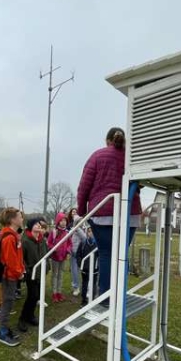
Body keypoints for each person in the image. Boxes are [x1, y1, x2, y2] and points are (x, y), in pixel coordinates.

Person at [77, 127, 142, 296]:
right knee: (122, 255)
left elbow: (84, 186)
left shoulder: (97, 156)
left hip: (103, 214)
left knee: (106, 254)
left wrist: (82, 210)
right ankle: (120, 295)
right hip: (130, 213)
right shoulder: (131, 157)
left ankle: (106, 298)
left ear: (107, 141)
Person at [0, 207, 25, 347]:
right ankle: (2, 332)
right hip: (9, 276)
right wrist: (19, 272)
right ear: (12, 219)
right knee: (7, 302)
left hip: (12, 275)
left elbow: (17, 257)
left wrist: (21, 269)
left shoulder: (13, 235)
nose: (22, 219)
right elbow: (10, 260)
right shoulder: (8, 237)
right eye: (20, 216)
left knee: (9, 301)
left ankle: (5, 327)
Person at [19, 217, 48, 331]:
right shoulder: (25, 240)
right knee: (32, 295)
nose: (39, 225)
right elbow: (21, 258)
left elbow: (46, 254)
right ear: (30, 226)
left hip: (41, 272)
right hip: (31, 273)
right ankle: (22, 319)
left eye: (39, 224)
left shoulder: (41, 240)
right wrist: (27, 270)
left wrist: (47, 268)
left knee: (35, 296)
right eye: (36, 224)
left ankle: (30, 316)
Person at [47, 212, 72, 303]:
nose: (63, 222)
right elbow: (49, 243)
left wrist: (68, 251)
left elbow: (70, 243)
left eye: (65, 220)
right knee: (55, 275)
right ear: (58, 221)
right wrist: (53, 249)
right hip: (55, 257)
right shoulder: (53, 232)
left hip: (63, 257)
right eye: (61, 220)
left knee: (61, 275)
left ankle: (59, 292)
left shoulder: (67, 232)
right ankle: (54, 293)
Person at [76, 226, 99, 305]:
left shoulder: (98, 244)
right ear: (86, 233)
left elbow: (101, 256)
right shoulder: (83, 243)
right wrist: (80, 264)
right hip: (85, 268)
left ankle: (92, 301)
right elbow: (78, 255)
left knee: (93, 284)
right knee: (84, 284)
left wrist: (98, 265)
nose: (91, 233)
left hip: (95, 269)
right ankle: (84, 301)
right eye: (89, 231)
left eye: (92, 231)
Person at [69, 213, 85, 296]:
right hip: (73, 253)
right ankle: (76, 287)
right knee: (74, 271)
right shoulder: (75, 229)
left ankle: (85, 287)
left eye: (81, 221)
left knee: (83, 271)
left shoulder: (81, 229)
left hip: (81, 254)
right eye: (79, 221)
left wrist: (78, 229)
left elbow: (84, 239)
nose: (81, 222)